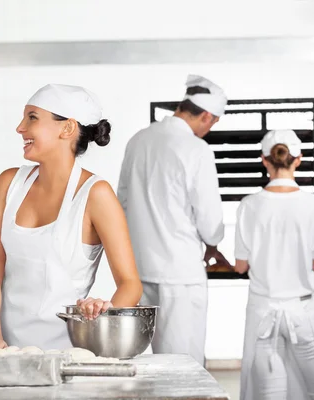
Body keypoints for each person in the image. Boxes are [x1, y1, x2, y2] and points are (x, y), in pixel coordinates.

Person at [0, 84, 143, 351]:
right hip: (5, 350)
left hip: (70, 352)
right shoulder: (9, 183)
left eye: (32, 118)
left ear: (67, 128)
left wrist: (104, 309)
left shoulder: (95, 194)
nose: (20, 128)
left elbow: (130, 284)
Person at [117, 74, 230, 366]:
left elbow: (123, 201)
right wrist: (214, 242)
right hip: (181, 274)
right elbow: (209, 220)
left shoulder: (138, 140)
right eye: (213, 123)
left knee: (145, 363)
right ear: (206, 115)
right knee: (184, 363)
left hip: (140, 269)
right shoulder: (196, 149)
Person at [235, 129, 314, 400]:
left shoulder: (249, 205)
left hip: (263, 312)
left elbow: (241, 266)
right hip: (302, 309)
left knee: (268, 394)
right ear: (299, 159)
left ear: (264, 160)